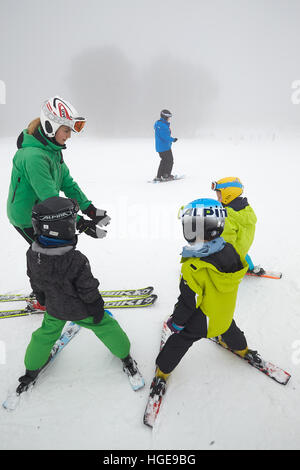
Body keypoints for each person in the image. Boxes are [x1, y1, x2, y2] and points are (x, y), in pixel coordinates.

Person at [17, 196, 142, 392]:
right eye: (70, 223)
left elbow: (34, 278)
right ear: (61, 228)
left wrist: (41, 297)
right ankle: (125, 355)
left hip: (54, 308)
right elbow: (88, 288)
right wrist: (97, 307)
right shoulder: (75, 259)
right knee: (107, 327)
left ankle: (31, 369)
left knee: (44, 335)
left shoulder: (32, 254)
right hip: (82, 310)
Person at [148, 198, 262, 398]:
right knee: (228, 327)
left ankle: (163, 371)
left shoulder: (193, 266)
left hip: (203, 324)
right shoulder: (231, 251)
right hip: (224, 316)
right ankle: (242, 349)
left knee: (180, 341)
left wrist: (176, 323)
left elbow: (188, 302)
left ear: (195, 230)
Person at [7, 95, 110, 246]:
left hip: (44, 211)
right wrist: (81, 223)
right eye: (66, 130)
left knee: (58, 252)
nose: (69, 136)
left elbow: (67, 183)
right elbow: (50, 199)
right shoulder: (33, 157)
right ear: (51, 126)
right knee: (48, 254)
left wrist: (90, 209)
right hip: (26, 217)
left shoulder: (52, 150)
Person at [211, 177, 262, 274]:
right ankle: (249, 266)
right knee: (241, 252)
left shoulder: (228, 215)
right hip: (242, 248)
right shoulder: (245, 208)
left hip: (230, 255)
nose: (218, 199)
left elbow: (226, 241)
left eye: (219, 196)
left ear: (228, 195)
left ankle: (229, 268)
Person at [153, 109, 178, 181]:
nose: (169, 119)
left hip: (160, 147)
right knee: (170, 161)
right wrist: (173, 139)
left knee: (164, 161)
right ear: (165, 117)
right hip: (165, 147)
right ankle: (166, 175)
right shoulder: (162, 125)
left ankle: (160, 175)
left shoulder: (159, 124)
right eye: (168, 117)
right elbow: (165, 137)